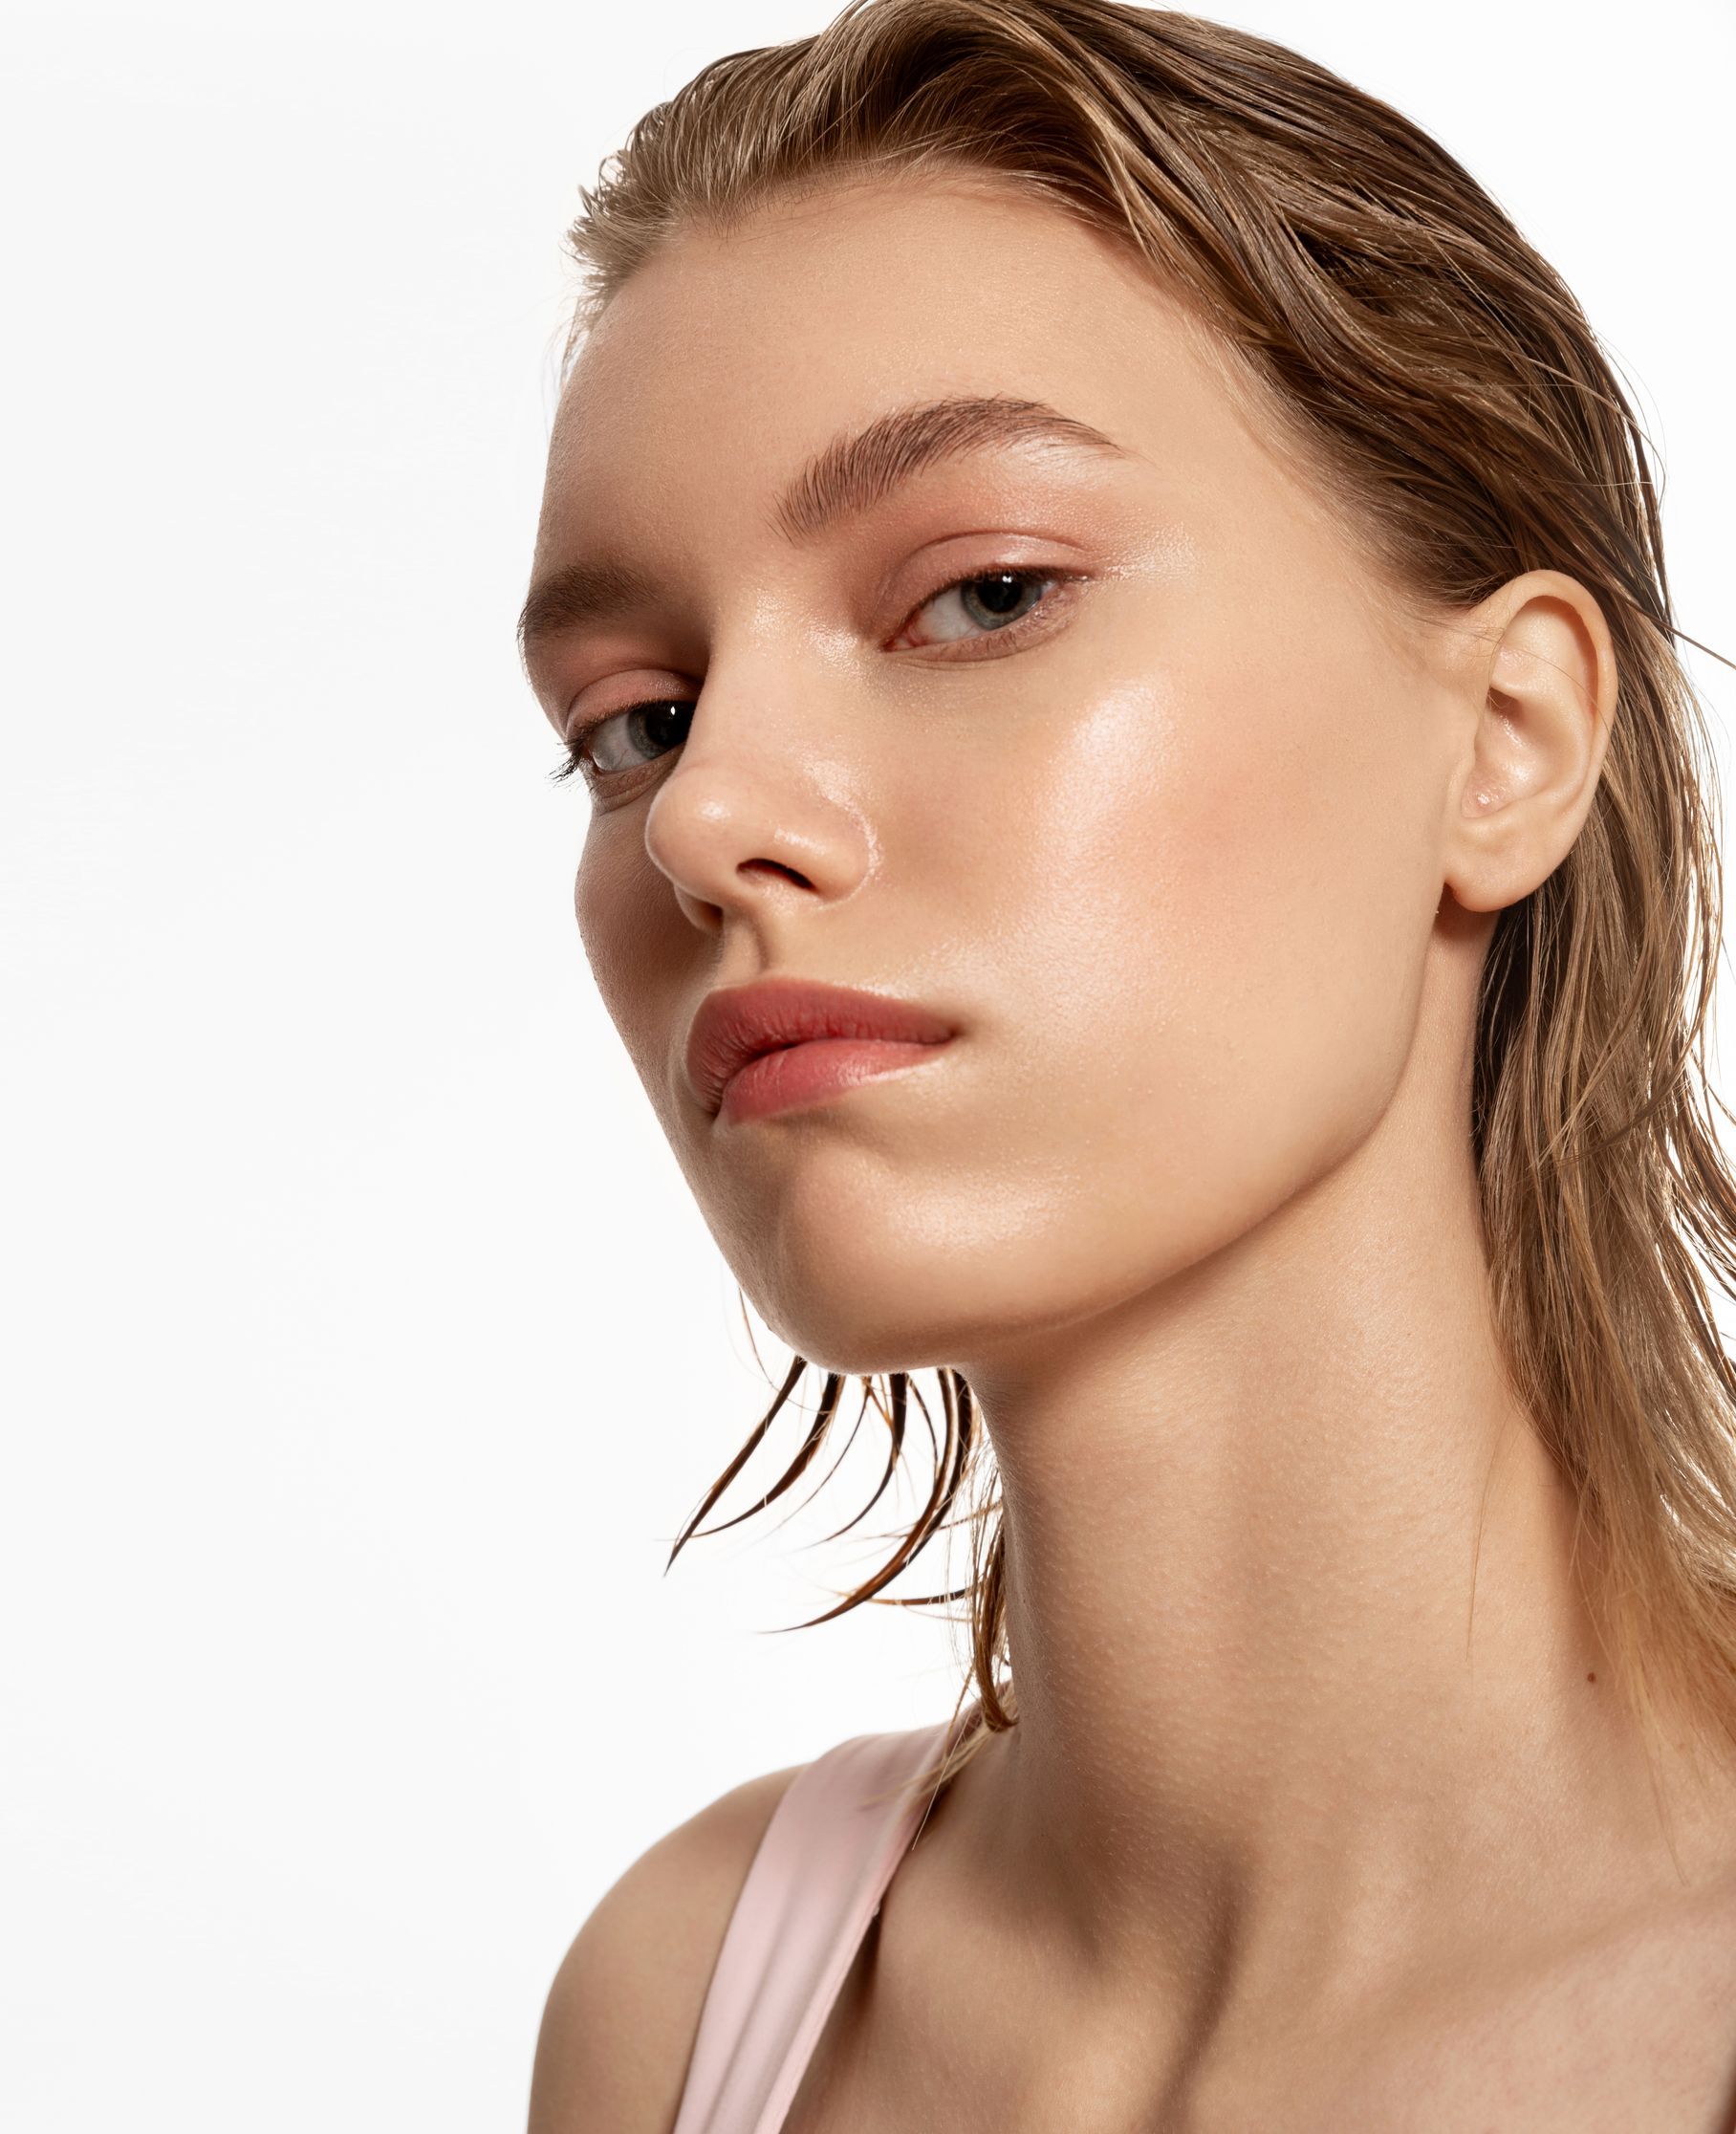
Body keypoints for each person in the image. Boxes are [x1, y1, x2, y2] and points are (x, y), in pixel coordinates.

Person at [521, 1, 1736, 2125]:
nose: (709, 818)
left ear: (1507, 742)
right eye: (637, 718)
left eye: (982, 595)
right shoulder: (688, 2012)